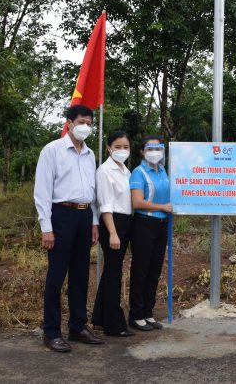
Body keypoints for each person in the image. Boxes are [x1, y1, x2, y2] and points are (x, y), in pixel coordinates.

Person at [33, 104, 103, 352]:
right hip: (61, 215)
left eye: (89, 123)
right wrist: (46, 227)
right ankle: (51, 332)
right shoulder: (52, 150)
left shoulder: (90, 154)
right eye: (81, 122)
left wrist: (94, 221)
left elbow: (92, 192)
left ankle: (77, 326)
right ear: (69, 123)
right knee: (56, 276)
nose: (85, 127)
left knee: (81, 274)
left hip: (84, 217)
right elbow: (42, 192)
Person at [91, 130, 134, 337]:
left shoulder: (126, 171)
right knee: (114, 274)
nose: (122, 150)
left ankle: (100, 318)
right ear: (109, 148)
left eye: (126, 147)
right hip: (112, 222)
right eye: (118, 146)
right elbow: (104, 205)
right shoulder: (104, 171)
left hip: (125, 221)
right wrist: (113, 233)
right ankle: (114, 324)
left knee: (111, 271)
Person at [128, 135, 172, 331]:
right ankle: (136, 314)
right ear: (142, 151)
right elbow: (137, 202)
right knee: (141, 270)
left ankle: (148, 312)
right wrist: (162, 206)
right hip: (144, 224)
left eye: (158, 148)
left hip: (161, 224)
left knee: (154, 271)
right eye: (150, 148)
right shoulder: (138, 172)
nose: (155, 152)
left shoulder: (163, 170)